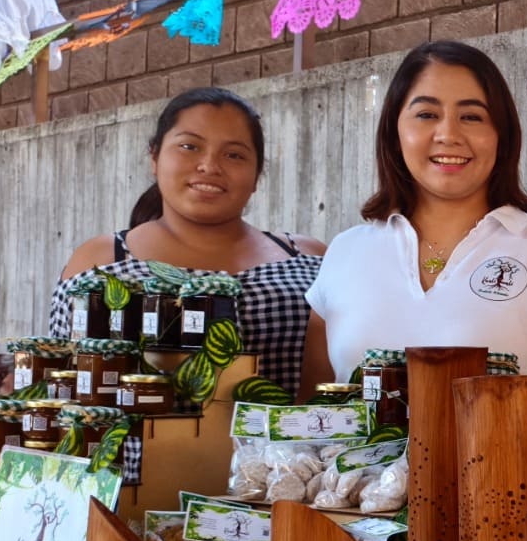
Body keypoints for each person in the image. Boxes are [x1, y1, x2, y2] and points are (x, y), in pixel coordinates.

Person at [302, 40, 527, 390]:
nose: (448, 134)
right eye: (426, 115)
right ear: (394, 132)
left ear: (502, 135)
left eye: (471, 116)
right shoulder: (345, 253)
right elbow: (313, 418)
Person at [49, 87, 325, 398]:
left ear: (257, 174)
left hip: (288, 447)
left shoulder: (313, 260)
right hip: (142, 447)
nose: (210, 165)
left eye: (234, 154)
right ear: (154, 157)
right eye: (189, 146)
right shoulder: (101, 263)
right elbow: (63, 390)